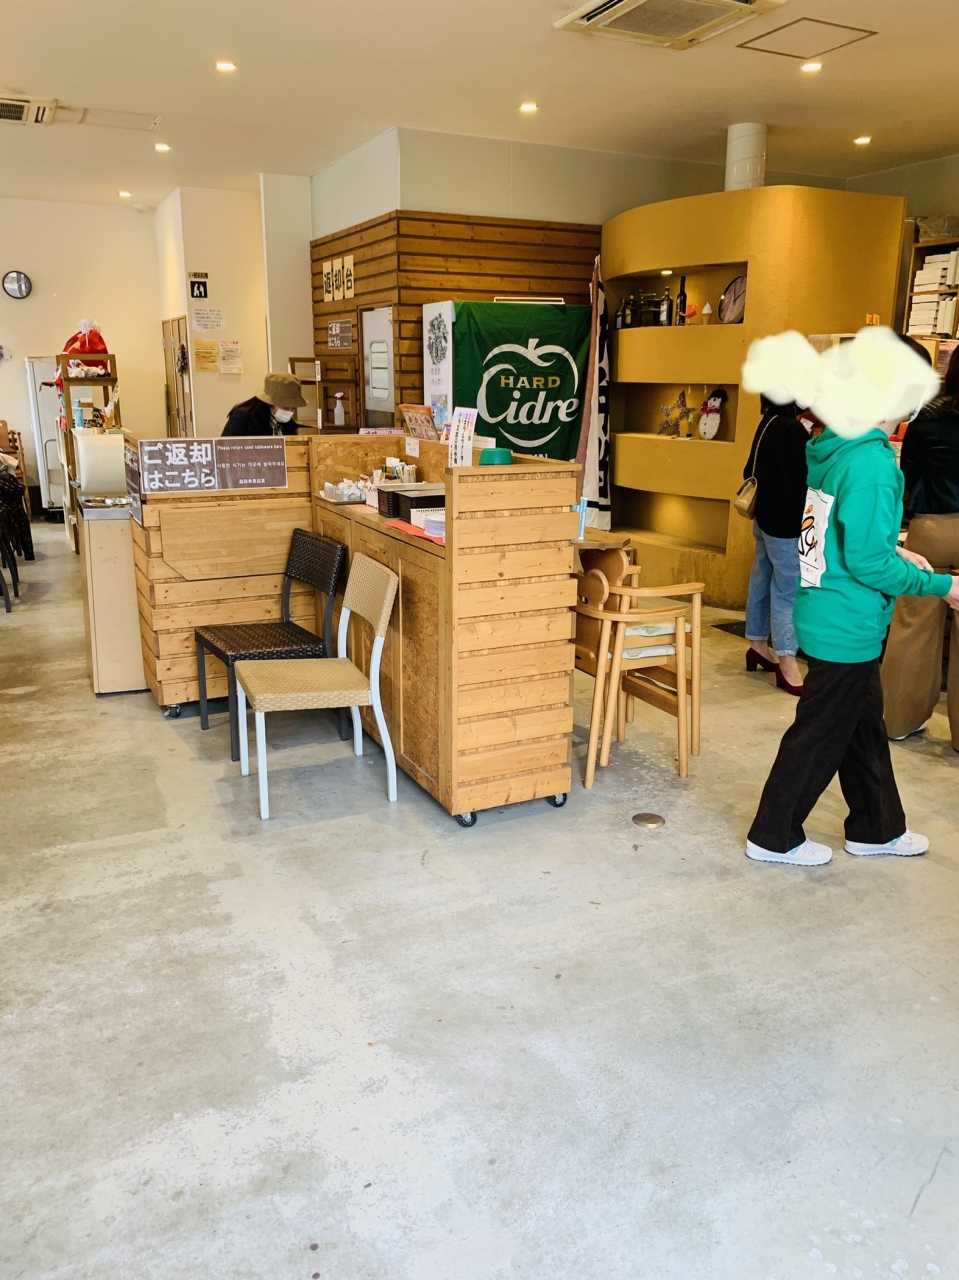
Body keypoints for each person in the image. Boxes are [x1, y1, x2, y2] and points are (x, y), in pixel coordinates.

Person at [740, 327, 959, 867]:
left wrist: (895, 549)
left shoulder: (836, 445)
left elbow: (839, 531)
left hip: (828, 609)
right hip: (847, 620)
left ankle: (877, 828)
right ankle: (773, 835)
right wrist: (944, 585)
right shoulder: (872, 463)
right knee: (818, 735)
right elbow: (867, 564)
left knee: (862, 729)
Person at [881, 342, 959, 749]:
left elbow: (907, 475)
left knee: (912, 626)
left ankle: (896, 719)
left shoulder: (926, 417)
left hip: (930, 527)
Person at [743, 395, 809, 694]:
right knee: (788, 591)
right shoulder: (793, 429)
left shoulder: (768, 421)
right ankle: (787, 662)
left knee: (762, 577)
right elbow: (806, 479)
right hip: (787, 523)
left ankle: (758, 644)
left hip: (764, 517)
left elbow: (749, 470)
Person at [221, 373, 305, 437]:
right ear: (270, 403)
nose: (290, 412)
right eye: (286, 407)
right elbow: (224, 447)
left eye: (293, 408)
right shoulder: (243, 415)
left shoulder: (288, 424)